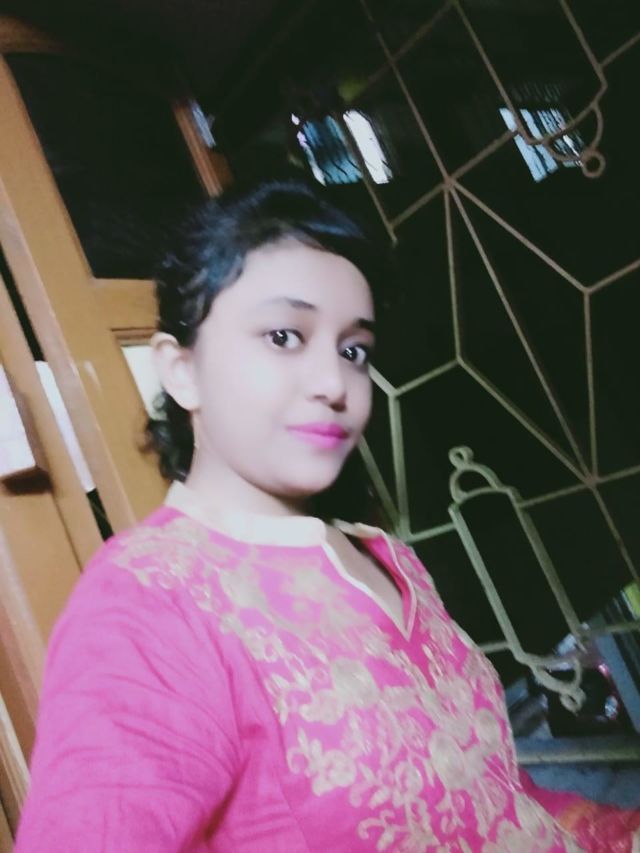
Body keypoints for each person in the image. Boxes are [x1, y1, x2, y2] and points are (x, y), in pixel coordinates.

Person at [15, 179, 640, 851]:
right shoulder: (147, 605)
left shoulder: (386, 558)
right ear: (181, 369)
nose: (334, 383)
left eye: (353, 350)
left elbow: (489, 802)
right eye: (285, 336)